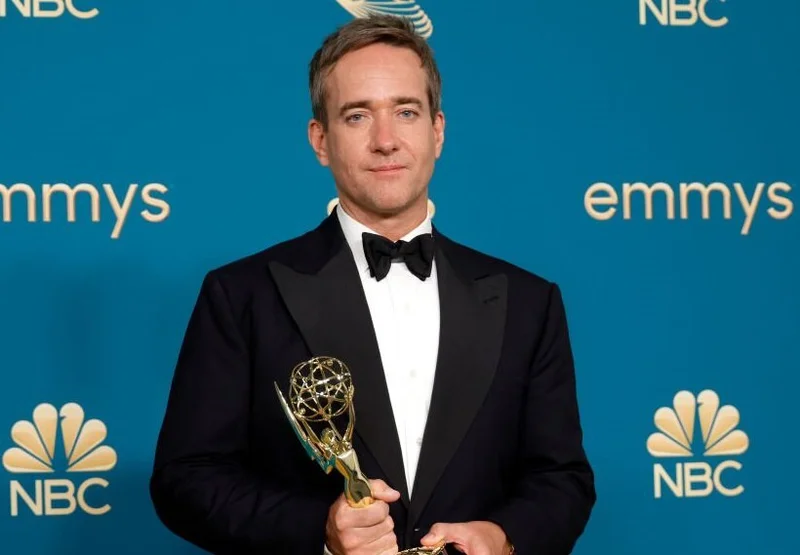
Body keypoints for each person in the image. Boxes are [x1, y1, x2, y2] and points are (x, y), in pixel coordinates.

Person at [149, 13, 596, 555]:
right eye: (358, 116)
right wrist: (320, 531)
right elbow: (187, 479)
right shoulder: (242, 295)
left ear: (437, 131)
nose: (386, 141)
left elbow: (562, 479)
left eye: (406, 112)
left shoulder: (529, 301)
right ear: (320, 140)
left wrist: (504, 537)